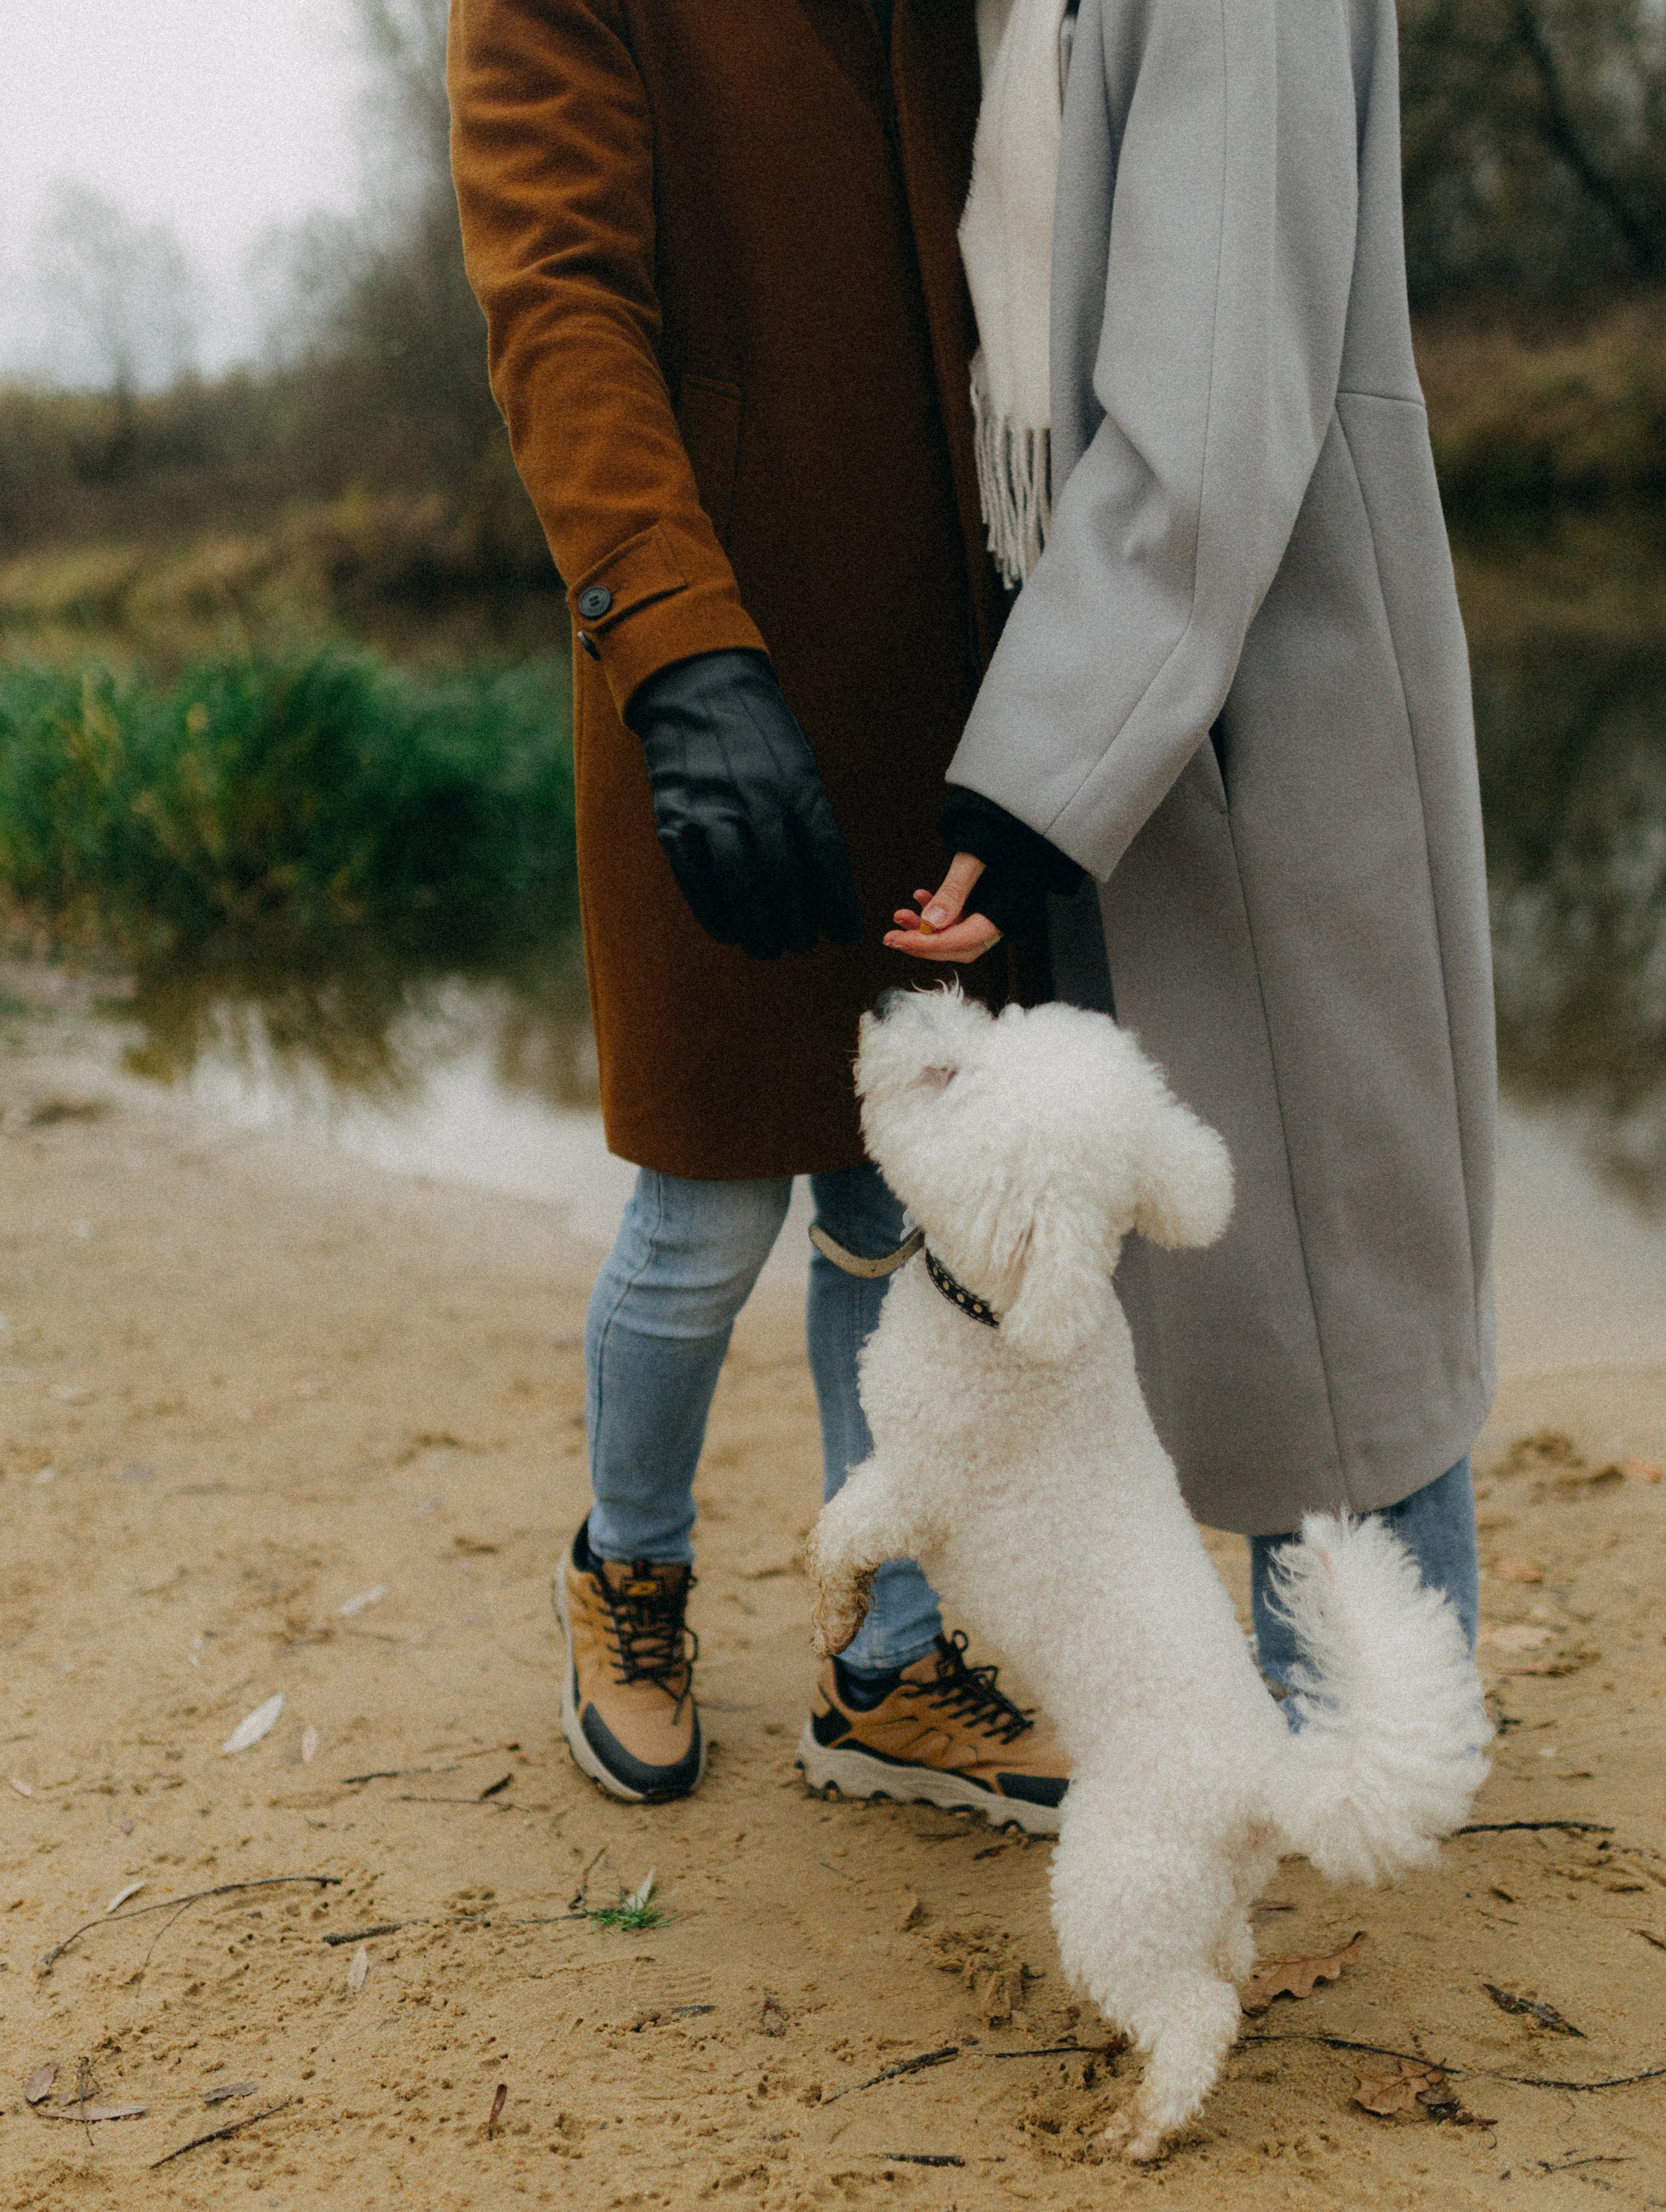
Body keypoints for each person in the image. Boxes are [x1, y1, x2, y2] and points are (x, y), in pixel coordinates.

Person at [447, 0, 1071, 1818]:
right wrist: (672, 650)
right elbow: (556, 300)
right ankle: (625, 1574)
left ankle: (886, 1655)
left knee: (907, 1191)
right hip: (712, 665)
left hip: (949, 667)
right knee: (710, 1200)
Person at [886, 0, 1494, 1691]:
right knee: (1250, 1281)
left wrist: (1021, 793)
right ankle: (1334, 1748)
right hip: (1139, 685)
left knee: (1340, 1279)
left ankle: (1383, 1766)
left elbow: (1211, 415)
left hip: (1270, 695)